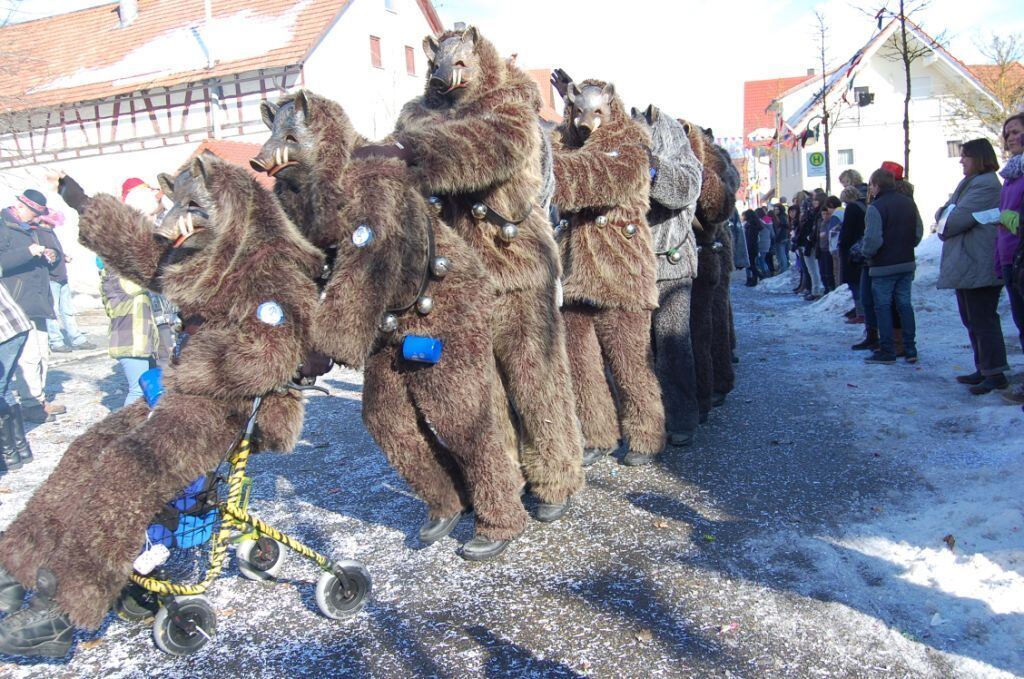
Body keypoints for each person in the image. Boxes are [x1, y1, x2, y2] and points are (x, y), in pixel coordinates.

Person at [936, 138, 1008, 394]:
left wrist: (947, 214)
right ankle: (983, 368)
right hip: (967, 264)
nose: (960, 160)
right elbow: (943, 216)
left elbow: (952, 220)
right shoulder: (968, 183)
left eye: (965, 155)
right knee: (971, 319)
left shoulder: (986, 185)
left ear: (978, 157)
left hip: (980, 263)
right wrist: (946, 214)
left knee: (982, 319)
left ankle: (995, 373)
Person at [0, 190, 59, 423]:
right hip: (18, 301)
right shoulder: (3, 226)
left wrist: (50, 255)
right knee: (29, 357)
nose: (38, 219)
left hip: (37, 300)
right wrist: (27, 252)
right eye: (35, 214)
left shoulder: (29, 229)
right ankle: (31, 404)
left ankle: (39, 399)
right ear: (21, 207)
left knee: (43, 353)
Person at [860, 167, 924, 364]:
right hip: (906, 263)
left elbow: (873, 240)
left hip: (883, 266)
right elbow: (918, 232)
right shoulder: (908, 203)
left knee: (883, 307)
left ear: (876, 185)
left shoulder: (876, 207)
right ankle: (910, 348)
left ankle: (887, 350)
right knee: (905, 305)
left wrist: (866, 254)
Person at [32, 209, 95, 354]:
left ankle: (76, 338)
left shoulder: (49, 233)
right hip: (52, 278)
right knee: (53, 312)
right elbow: (45, 255)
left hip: (61, 276)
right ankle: (56, 341)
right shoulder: (39, 233)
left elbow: (54, 251)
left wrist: (63, 256)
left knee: (67, 310)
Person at [0, 283, 33, 474]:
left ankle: (8, 454)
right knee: (3, 389)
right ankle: (21, 450)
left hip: (5, 331)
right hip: (15, 326)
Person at [838, 187, 867, 324]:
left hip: (852, 251)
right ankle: (862, 311)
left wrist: (842, 244)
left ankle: (861, 312)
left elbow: (847, 231)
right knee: (860, 281)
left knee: (855, 283)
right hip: (861, 248)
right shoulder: (864, 206)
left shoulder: (852, 208)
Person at [797, 189, 826, 300]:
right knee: (812, 269)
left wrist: (809, 237)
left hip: (812, 243)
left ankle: (816, 290)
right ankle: (815, 289)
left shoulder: (816, 214)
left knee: (814, 269)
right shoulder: (813, 213)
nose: (813, 202)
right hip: (809, 242)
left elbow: (813, 228)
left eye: (815, 200)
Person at [743, 209, 763, 286]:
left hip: (751, 248)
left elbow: (750, 239)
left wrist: (747, 248)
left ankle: (757, 277)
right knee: (751, 264)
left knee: (751, 265)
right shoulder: (752, 224)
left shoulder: (751, 225)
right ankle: (755, 278)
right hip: (753, 247)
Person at [772, 203, 790, 274]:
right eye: (774, 209)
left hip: (781, 238)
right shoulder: (784, 216)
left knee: (781, 254)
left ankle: (783, 269)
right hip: (784, 237)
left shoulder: (780, 217)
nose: (775, 210)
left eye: (777, 209)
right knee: (782, 254)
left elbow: (779, 228)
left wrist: (777, 237)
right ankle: (783, 268)